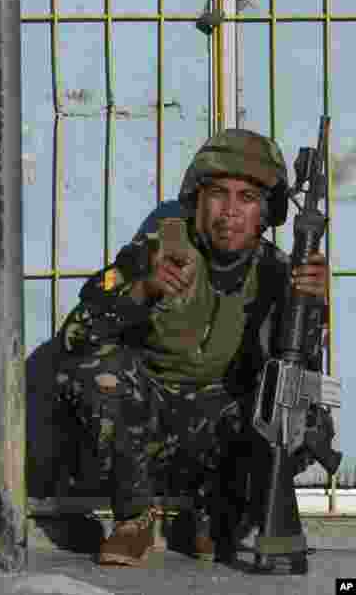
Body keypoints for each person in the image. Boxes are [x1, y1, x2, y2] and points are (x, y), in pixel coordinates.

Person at [55, 129, 330, 566]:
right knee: (98, 372)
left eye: (247, 198)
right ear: (197, 201)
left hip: (222, 429)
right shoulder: (155, 250)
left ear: (265, 212)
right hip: (148, 425)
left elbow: (303, 371)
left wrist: (312, 307)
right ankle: (135, 520)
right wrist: (141, 291)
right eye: (218, 195)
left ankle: (220, 514)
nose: (230, 212)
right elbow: (73, 338)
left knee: (299, 406)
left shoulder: (281, 273)